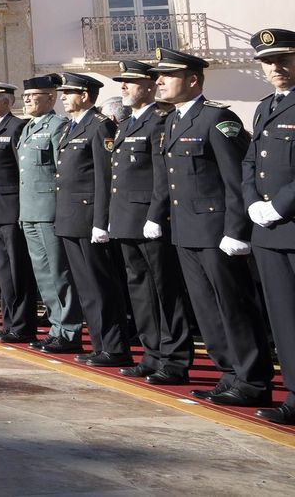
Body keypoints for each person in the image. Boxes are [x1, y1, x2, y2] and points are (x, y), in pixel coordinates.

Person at [152, 47, 272, 408]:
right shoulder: (172, 121)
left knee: (233, 306)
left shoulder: (217, 119)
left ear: (192, 80)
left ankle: (252, 378)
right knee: (205, 308)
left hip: (217, 232)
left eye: (167, 76)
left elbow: (236, 182)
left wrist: (236, 232)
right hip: (186, 229)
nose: (158, 81)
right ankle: (229, 373)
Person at [104, 61, 191, 385]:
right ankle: (151, 353)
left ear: (150, 85)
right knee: (140, 290)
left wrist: (156, 215)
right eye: (122, 83)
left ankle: (175, 359)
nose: (123, 87)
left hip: (150, 219)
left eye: (130, 82)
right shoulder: (127, 125)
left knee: (165, 290)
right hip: (126, 218)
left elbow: (162, 176)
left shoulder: (161, 120)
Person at [54, 72, 131, 368]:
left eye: (68, 92)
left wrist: (102, 221)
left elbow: (104, 177)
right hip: (70, 218)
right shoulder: (71, 128)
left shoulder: (99, 127)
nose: (63, 97)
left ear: (85, 96)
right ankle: (100, 344)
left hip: (89, 219)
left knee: (101, 287)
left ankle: (114, 346)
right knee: (86, 288)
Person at [242, 27, 295, 424]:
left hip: (290, 222)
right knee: (283, 317)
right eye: (267, 62)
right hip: (268, 231)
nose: (275, 67)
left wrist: (279, 205)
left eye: (283, 59)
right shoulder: (265, 107)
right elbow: (249, 163)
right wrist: (253, 205)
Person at [17, 76, 82, 353]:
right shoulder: (28, 128)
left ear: (51, 98)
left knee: (58, 272)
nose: (28, 100)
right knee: (43, 274)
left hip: (49, 210)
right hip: (29, 210)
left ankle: (68, 330)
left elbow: (62, 173)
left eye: (34, 95)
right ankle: (56, 327)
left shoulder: (58, 127)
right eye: (26, 96)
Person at [0, 81, 36, 343]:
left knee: (18, 270)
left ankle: (22, 325)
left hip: (11, 210)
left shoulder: (16, 127)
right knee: (3, 272)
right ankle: (9, 323)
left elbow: (22, 172)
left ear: (6, 102)